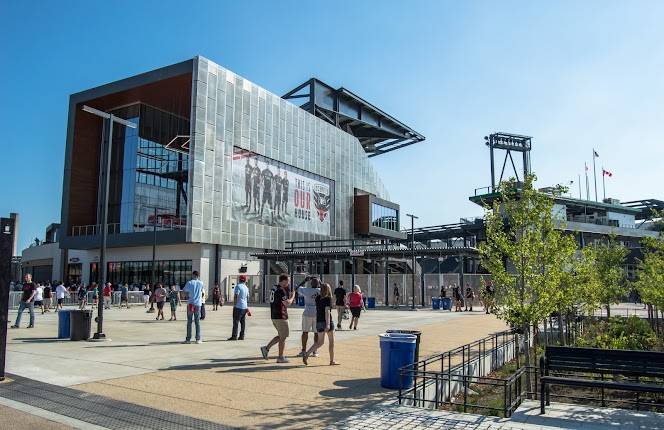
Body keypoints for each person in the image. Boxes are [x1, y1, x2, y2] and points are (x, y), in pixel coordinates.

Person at [260, 274, 295, 363]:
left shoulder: (274, 288)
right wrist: (293, 296)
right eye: (288, 281)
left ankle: (266, 348)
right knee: (283, 337)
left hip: (274, 315)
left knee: (281, 336)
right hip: (281, 316)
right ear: (283, 281)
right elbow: (287, 303)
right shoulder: (280, 290)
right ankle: (280, 357)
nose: (289, 283)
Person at [303, 283, 339, 366]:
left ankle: (307, 354)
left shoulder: (317, 298)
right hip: (326, 321)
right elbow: (327, 311)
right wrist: (328, 324)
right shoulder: (328, 299)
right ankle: (332, 360)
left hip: (318, 321)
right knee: (331, 342)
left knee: (319, 342)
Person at [297, 277, 320, 358]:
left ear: (311, 283)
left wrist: (305, 280)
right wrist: (320, 283)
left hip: (307, 312)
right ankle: (314, 350)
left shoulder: (306, 290)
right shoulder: (320, 291)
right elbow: (326, 288)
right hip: (317, 313)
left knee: (305, 332)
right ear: (318, 284)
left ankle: (303, 350)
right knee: (316, 332)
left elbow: (297, 288)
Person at [183, 271, 204, 344]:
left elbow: (184, 291)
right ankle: (198, 339)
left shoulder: (189, 282)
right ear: (198, 276)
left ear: (193, 275)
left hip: (190, 303)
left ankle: (188, 339)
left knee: (189, 321)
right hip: (198, 303)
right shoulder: (201, 283)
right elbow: (202, 291)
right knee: (197, 321)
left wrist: (187, 295)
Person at [228, 275, 249, 340]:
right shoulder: (246, 287)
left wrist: (234, 305)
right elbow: (248, 297)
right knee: (243, 322)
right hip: (244, 307)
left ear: (239, 279)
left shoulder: (238, 286)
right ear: (245, 280)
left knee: (236, 322)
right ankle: (242, 336)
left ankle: (234, 336)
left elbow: (236, 296)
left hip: (238, 306)